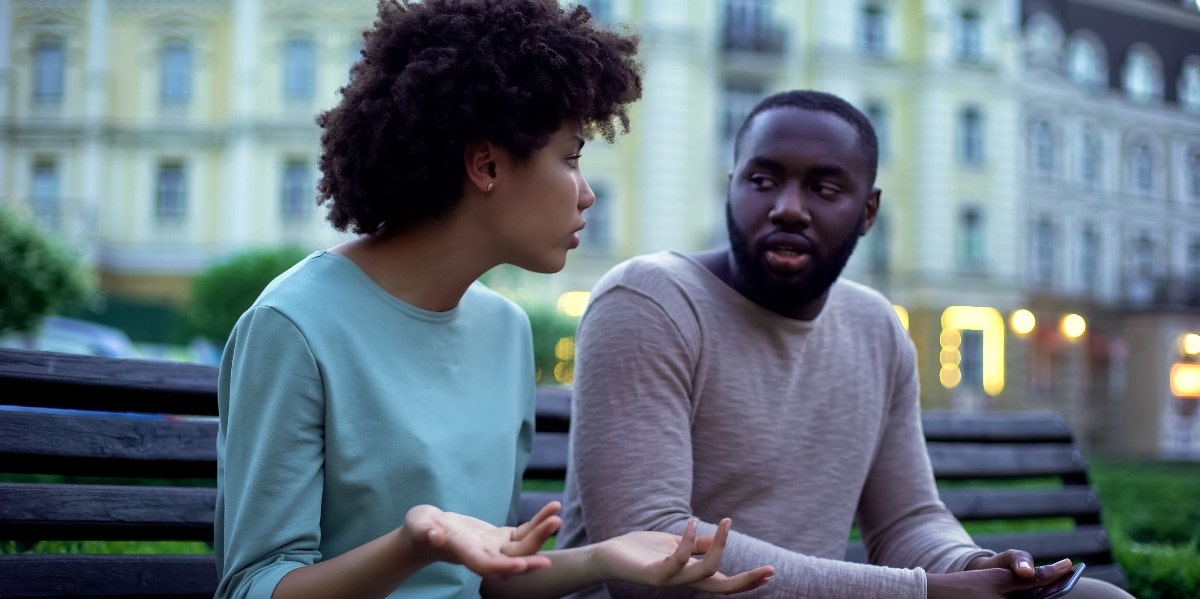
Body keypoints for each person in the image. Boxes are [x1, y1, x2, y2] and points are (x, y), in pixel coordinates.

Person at [213, 1, 777, 598]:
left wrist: (602, 558)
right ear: (485, 164)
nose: (586, 195)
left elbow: (489, 577)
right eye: (570, 158)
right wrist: (413, 544)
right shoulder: (292, 327)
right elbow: (252, 585)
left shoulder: (505, 331)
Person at [557, 89, 1135, 599]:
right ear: (730, 187)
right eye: (762, 180)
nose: (787, 206)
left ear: (868, 211)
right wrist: (927, 592)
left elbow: (907, 521)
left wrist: (973, 565)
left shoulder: (875, 327)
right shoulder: (649, 300)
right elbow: (648, 552)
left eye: (824, 187)